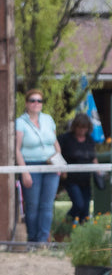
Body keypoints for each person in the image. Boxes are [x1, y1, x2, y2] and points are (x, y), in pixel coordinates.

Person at [14, 89, 60, 243]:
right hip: (31, 165)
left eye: (39, 100)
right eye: (32, 100)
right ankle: (32, 240)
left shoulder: (48, 119)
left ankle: (42, 241)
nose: (36, 103)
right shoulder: (20, 122)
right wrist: (24, 172)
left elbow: (55, 144)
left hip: (51, 166)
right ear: (27, 103)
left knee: (47, 205)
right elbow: (17, 149)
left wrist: (59, 164)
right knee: (32, 205)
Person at [58, 113, 97, 224]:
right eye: (80, 127)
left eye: (85, 128)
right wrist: (61, 168)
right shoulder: (65, 139)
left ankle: (81, 229)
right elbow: (56, 153)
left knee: (85, 210)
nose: (82, 130)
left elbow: (93, 157)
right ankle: (66, 222)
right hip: (71, 179)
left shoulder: (90, 140)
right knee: (78, 204)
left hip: (86, 180)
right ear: (75, 127)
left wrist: (99, 171)